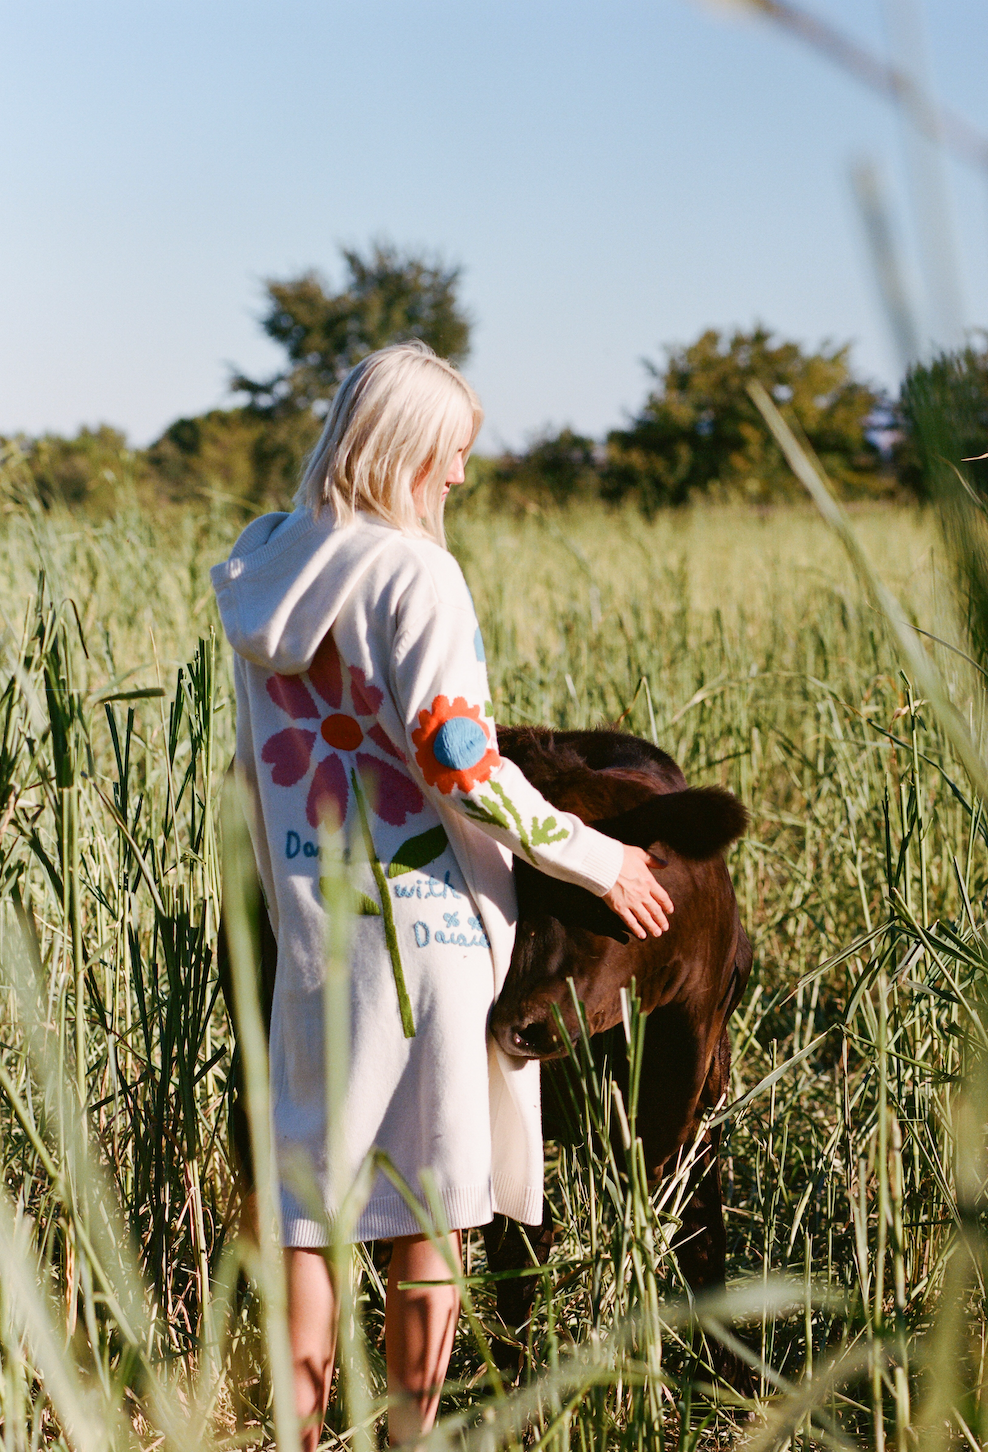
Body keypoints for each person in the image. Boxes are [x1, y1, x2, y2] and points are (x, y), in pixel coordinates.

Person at [211, 341, 673, 1449]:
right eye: (455, 452)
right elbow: (458, 758)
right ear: (410, 448)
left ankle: (301, 1440)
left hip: (317, 928)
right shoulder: (414, 572)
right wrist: (596, 857)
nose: (461, 476)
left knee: (310, 1208)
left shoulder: (263, 563)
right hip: (425, 931)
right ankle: (410, 1440)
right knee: (434, 1200)